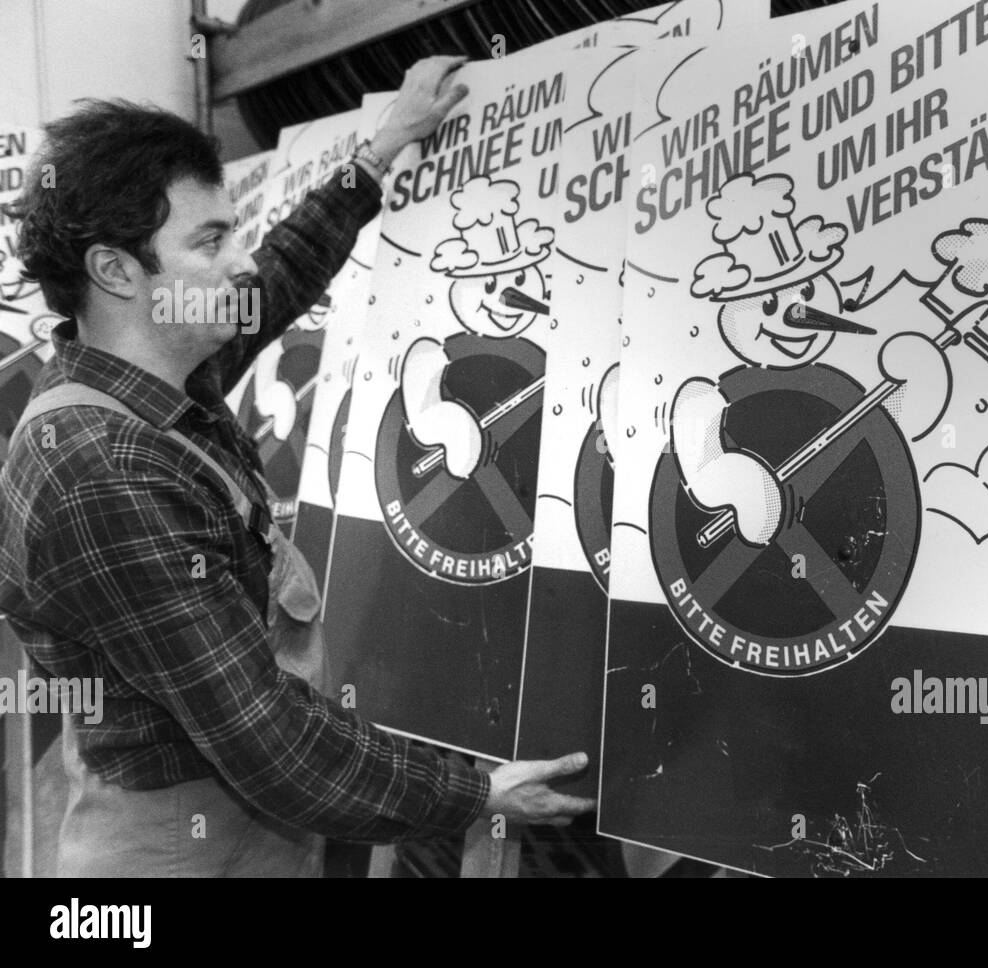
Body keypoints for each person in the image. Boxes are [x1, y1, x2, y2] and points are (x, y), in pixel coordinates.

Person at [0, 55, 594, 877]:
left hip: (243, 816)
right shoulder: (103, 470)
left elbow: (277, 273)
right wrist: (479, 792)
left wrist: (379, 152)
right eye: (210, 240)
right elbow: (270, 744)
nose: (238, 259)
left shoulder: (156, 372)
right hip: (174, 848)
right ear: (116, 270)